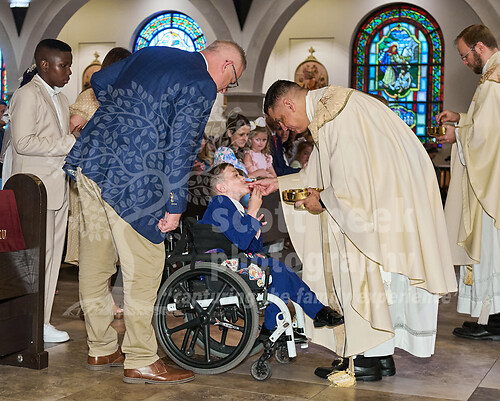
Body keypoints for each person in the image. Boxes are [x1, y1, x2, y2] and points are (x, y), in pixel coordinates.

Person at [64, 40, 246, 384]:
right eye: (231, 81)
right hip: (133, 178)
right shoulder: (201, 83)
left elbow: (100, 81)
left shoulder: (154, 52)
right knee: (146, 264)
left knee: (96, 260)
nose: (225, 89)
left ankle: (101, 347)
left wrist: (127, 117)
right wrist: (175, 206)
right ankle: (141, 358)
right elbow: (180, 149)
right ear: (227, 65)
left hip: (92, 161)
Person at [256, 80, 457, 383]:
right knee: (379, 282)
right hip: (387, 205)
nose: (287, 128)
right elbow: (323, 172)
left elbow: (353, 181)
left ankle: (364, 358)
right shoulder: (332, 107)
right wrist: (278, 183)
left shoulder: (337, 113)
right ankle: (380, 355)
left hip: (372, 210)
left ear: (289, 104)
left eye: (282, 120)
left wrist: (324, 199)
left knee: (361, 277)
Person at [172, 163, 343, 335]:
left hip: (231, 262)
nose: (242, 177)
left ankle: (301, 317)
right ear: (221, 187)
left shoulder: (235, 208)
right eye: (235, 175)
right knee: (278, 271)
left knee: (281, 273)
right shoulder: (220, 202)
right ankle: (303, 316)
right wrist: (252, 212)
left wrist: (255, 227)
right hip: (217, 267)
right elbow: (242, 243)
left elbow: (252, 248)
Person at [436, 24, 500, 341]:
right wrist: (460, 118)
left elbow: (486, 137)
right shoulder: (492, 76)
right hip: (492, 175)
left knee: (490, 249)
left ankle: (495, 320)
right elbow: (485, 124)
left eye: (464, 55)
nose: (464, 62)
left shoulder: (494, 82)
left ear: (479, 47)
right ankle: (490, 316)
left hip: (491, 182)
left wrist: (456, 135)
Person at [10, 39, 75, 343]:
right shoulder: (27, 95)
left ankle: (42, 321)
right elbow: (23, 142)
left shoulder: (61, 99)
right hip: (33, 192)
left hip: (57, 187)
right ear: (45, 65)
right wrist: (69, 143)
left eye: (70, 66)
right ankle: (28, 321)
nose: (69, 72)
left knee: (51, 260)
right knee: (32, 260)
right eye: (64, 65)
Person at [66, 47, 132, 320]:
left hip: (115, 178)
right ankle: (94, 305)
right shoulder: (90, 95)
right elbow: (73, 126)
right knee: (94, 244)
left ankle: (103, 301)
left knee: (110, 246)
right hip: (92, 176)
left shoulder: (125, 95)